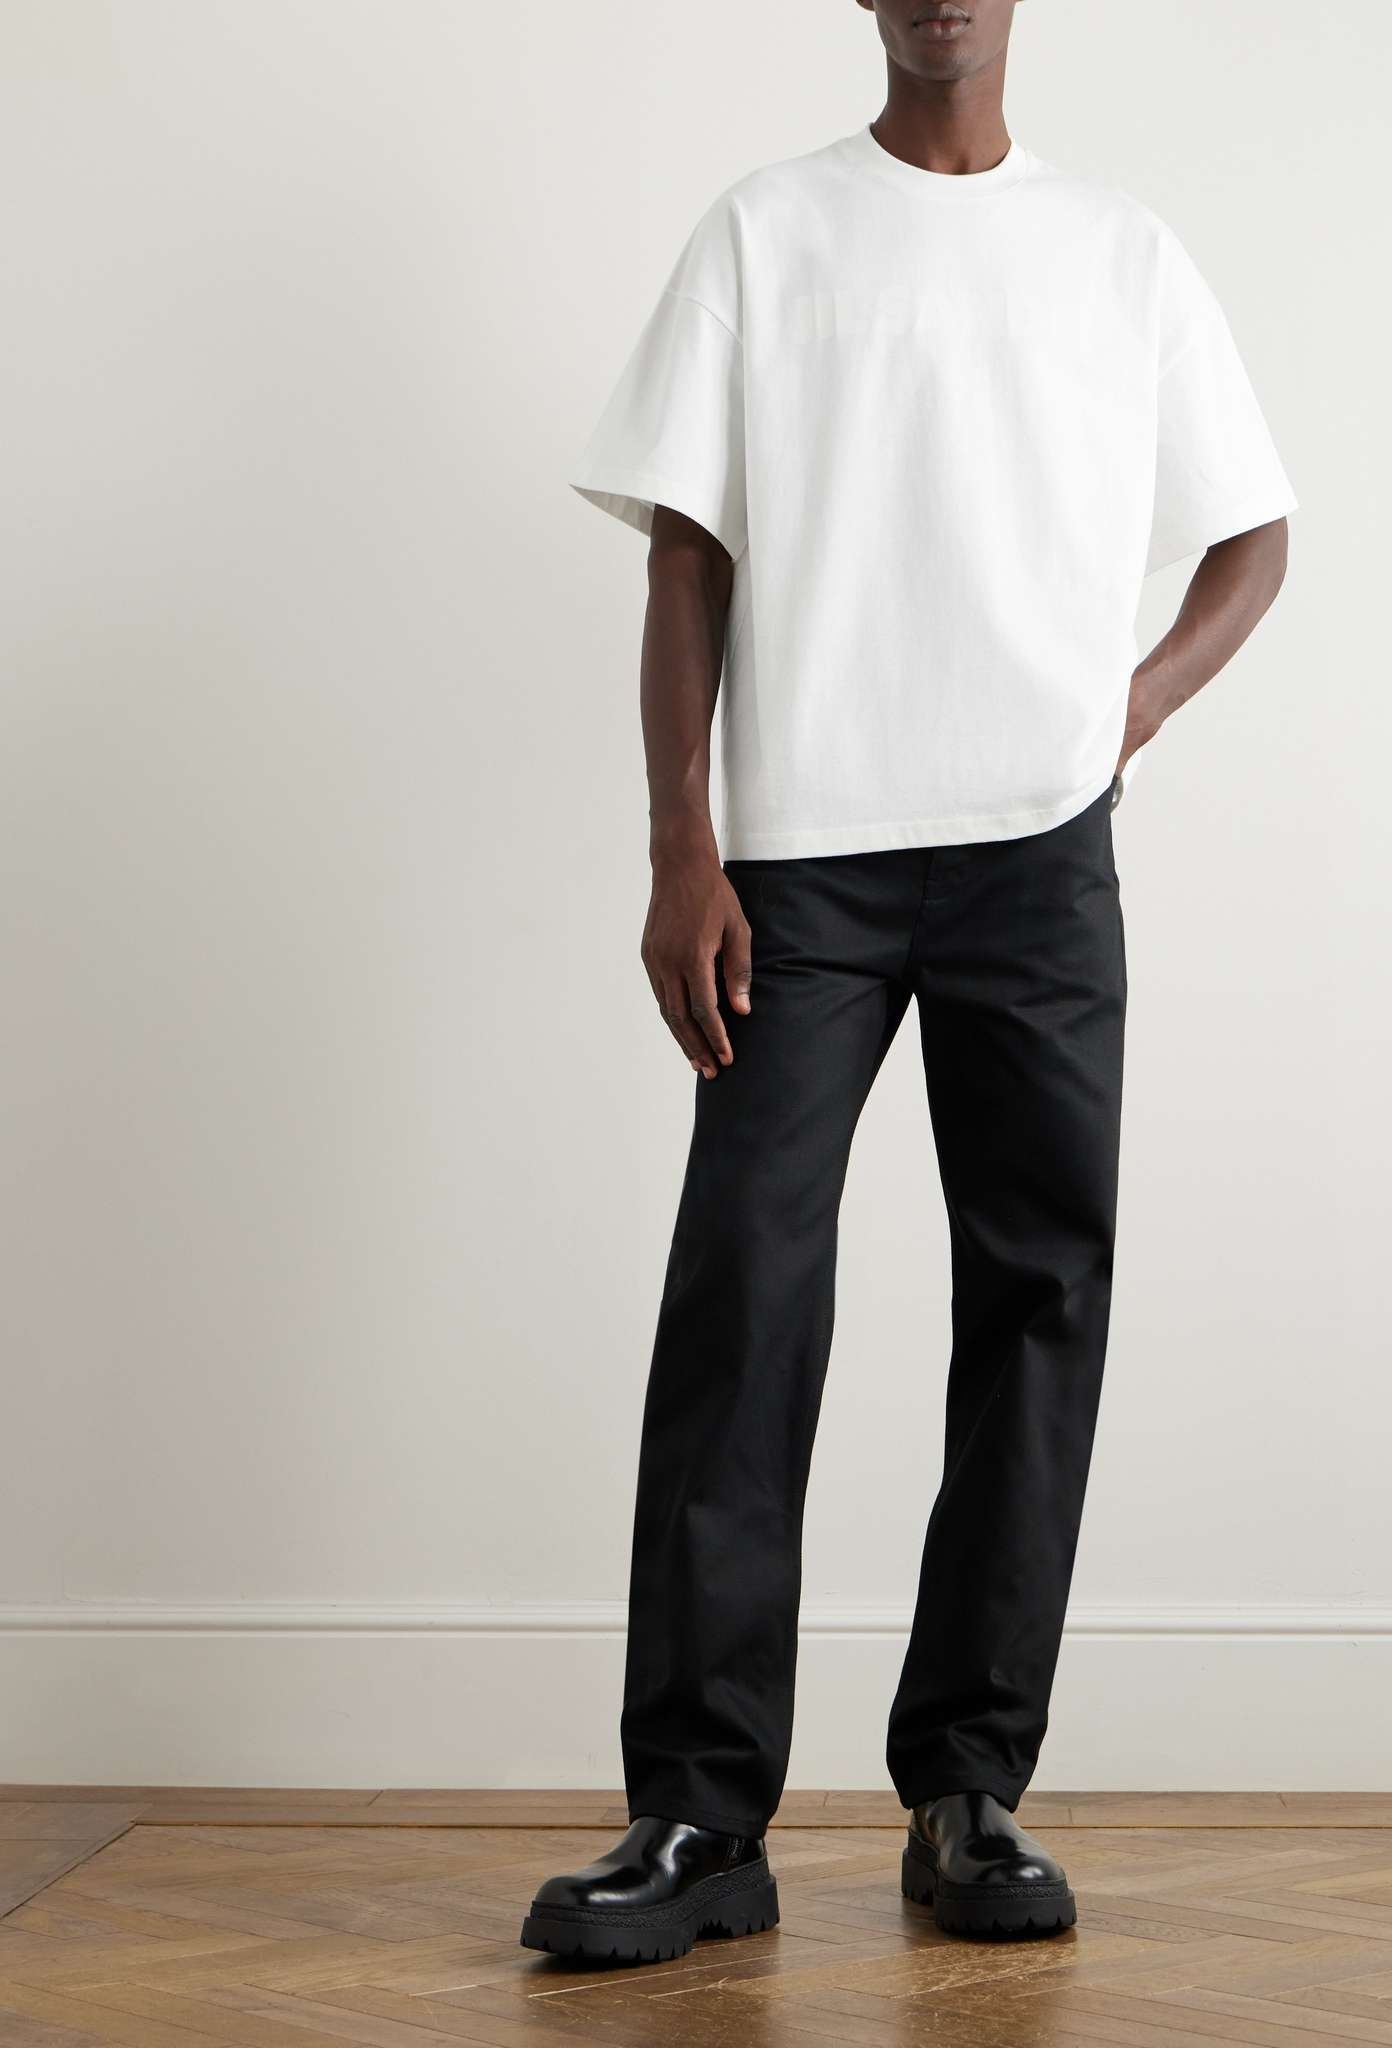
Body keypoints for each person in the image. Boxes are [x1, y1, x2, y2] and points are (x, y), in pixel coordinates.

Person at [521, 0, 1294, 1961]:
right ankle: (700, 1817)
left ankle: (970, 1790)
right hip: (801, 860)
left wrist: (1121, 714)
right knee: (745, 1290)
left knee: (1038, 1293)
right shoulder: (766, 232)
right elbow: (685, 553)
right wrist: (680, 845)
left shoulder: (1120, 253)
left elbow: (1253, 535)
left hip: (1040, 856)